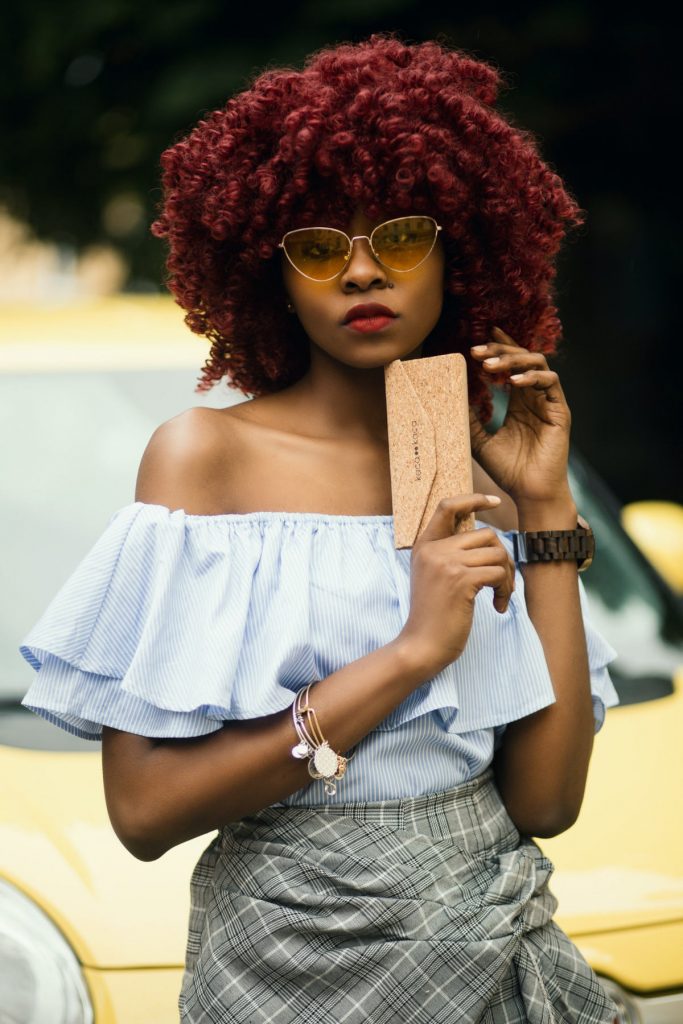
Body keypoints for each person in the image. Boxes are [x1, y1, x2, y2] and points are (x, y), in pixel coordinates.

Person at [19, 34, 621, 1024]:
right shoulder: (204, 458)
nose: (358, 272)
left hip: (493, 963)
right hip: (284, 970)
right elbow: (142, 812)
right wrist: (410, 653)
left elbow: (545, 804)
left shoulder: (472, 470)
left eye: (399, 235)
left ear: (457, 252)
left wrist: (546, 513)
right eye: (314, 246)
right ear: (270, 273)